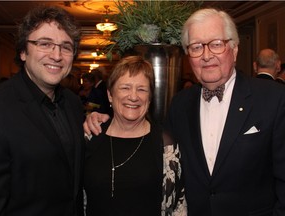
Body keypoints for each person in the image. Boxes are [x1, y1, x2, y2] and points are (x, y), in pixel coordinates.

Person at [84, 8, 285, 216]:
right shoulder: (180, 104)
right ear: (189, 56)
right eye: (197, 47)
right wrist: (101, 117)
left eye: (216, 44)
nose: (206, 55)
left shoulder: (274, 99)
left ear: (234, 50)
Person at [0, 6, 85, 216]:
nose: (56, 55)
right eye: (45, 44)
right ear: (23, 51)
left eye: (65, 47)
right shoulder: (1, 105)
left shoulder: (73, 103)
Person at [83, 56, 186, 216]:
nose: (133, 96)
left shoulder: (165, 144)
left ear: (150, 97)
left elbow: (177, 207)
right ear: (110, 95)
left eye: (142, 89)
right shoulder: (91, 136)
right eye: (125, 88)